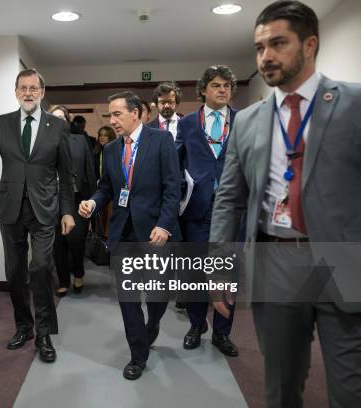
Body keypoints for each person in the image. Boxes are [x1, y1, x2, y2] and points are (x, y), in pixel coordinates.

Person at [210, 1, 361, 406]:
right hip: (275, 263)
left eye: (278, 43)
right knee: (280, 385)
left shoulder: (353, 103)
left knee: (351, 390)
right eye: (259, 47)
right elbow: (229, 198)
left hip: (342, 263)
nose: (266, 56)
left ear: (310, 45)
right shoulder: (248, 120)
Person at [0, 69, 75, 363]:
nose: (28, 93)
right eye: (23, 88)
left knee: (41, 267)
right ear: (16, 92)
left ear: (42, 92)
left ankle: (44, 334)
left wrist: (67, 211)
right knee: (15, 272)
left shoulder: (57, 126)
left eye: (33, 88)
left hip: (44, 208)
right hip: (10, 207)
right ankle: (24, 326)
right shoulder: (1, 124)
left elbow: (65, 175)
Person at [79, 91, 181, 380]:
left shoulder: (161, 141)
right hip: (122, 232)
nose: (112, 120)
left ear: (135, 113)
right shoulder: (111, 150)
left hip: (153, 232)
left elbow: (173, 188)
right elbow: (106, 187)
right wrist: (94, 202)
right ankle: (138, 355)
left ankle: (154, 323)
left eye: (117, 114)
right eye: (110, 115)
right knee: (128, 298)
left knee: (158, 294)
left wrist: (164, 224)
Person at [176, 65, 240, 357]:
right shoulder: (188, 123)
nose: (223, 89)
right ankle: (196, 325)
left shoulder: (243, 121)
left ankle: (222, 333)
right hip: (196, 210)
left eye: (227, 85)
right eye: (216, 85)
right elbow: (176, 163)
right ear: (203, 89)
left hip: (231, 210)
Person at [49, 105, 97, 296]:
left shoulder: (80, 140)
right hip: (52, 200)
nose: (59, 120)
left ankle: (78, 273)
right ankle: (63, 280)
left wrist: (94, 200)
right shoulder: (43, 143)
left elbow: (90, 171)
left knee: (76, 239)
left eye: (62, 117)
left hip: (78, 198)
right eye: (55, 117)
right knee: (57, 243)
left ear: (67, 121)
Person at [93, 126, 117, 236]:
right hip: (97, 190)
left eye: (105, 135)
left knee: (109, 217)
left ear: (110, 137)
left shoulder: (115, 151)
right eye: (100, 135)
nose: (102, 138)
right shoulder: (95, 151)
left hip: (111, 190)